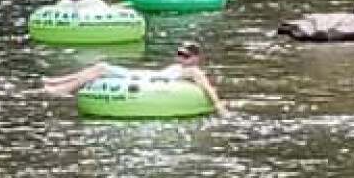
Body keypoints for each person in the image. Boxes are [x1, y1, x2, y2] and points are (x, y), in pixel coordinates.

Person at [42, 40, 229, 114]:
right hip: (143, 76)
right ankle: (60, 83)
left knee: (101, 68)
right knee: (100, 67)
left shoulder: (194, 71)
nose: (180, 58)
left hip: (145, 82)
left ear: (196, 58)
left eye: (185, 56)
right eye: (179, 54)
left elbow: (206, 87)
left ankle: (62, 88)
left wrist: (219, 106)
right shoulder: (179, 66)